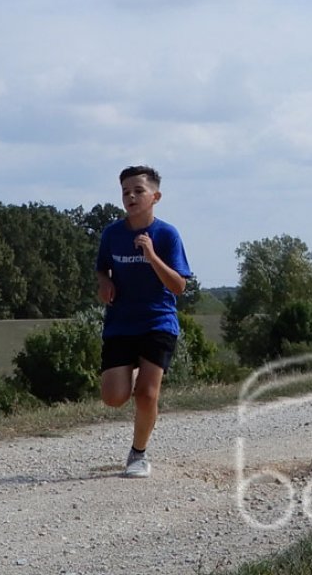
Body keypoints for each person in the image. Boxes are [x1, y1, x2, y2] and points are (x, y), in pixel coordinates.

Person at [96, 165, 192, 478]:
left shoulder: (167, 235)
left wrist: (152, 257)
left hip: (158, 321)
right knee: (113, 397)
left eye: (138, 191)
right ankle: (135, 372)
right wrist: (104, 282)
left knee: (148, 394)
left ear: (156, 196)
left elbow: (179, 286)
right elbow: (102, 268)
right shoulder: (112, 234)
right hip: (121, 322)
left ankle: (138, 454)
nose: (131, 197)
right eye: (126, 192)